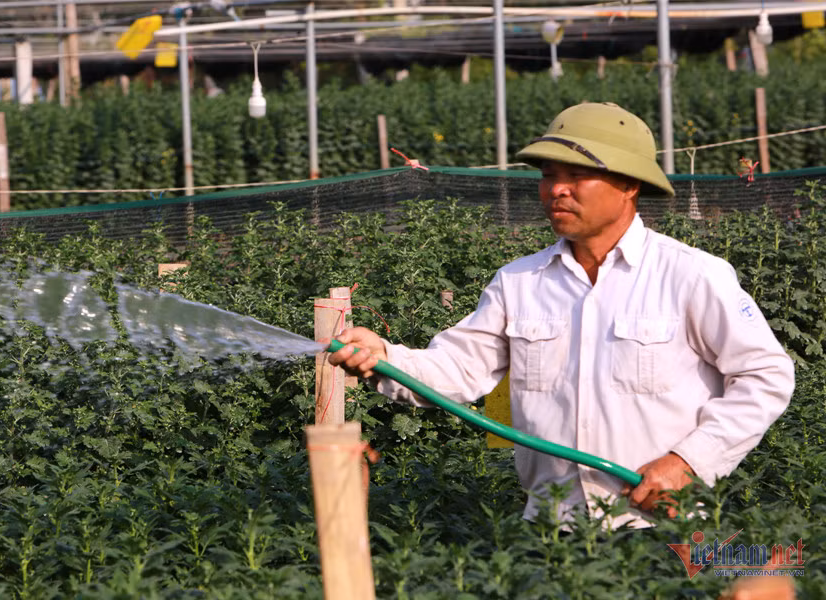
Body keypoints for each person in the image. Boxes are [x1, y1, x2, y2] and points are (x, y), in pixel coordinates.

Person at [328, 102, 795, 528]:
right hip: (551, 528)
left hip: (657, 526)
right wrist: (384, 355)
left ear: (630, 184)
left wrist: (686, 461)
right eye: (549, 175)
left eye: (577, 175)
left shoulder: (691, 276)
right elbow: (458, 368)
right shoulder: (520, 282)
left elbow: (766, 377)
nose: (558, 190)